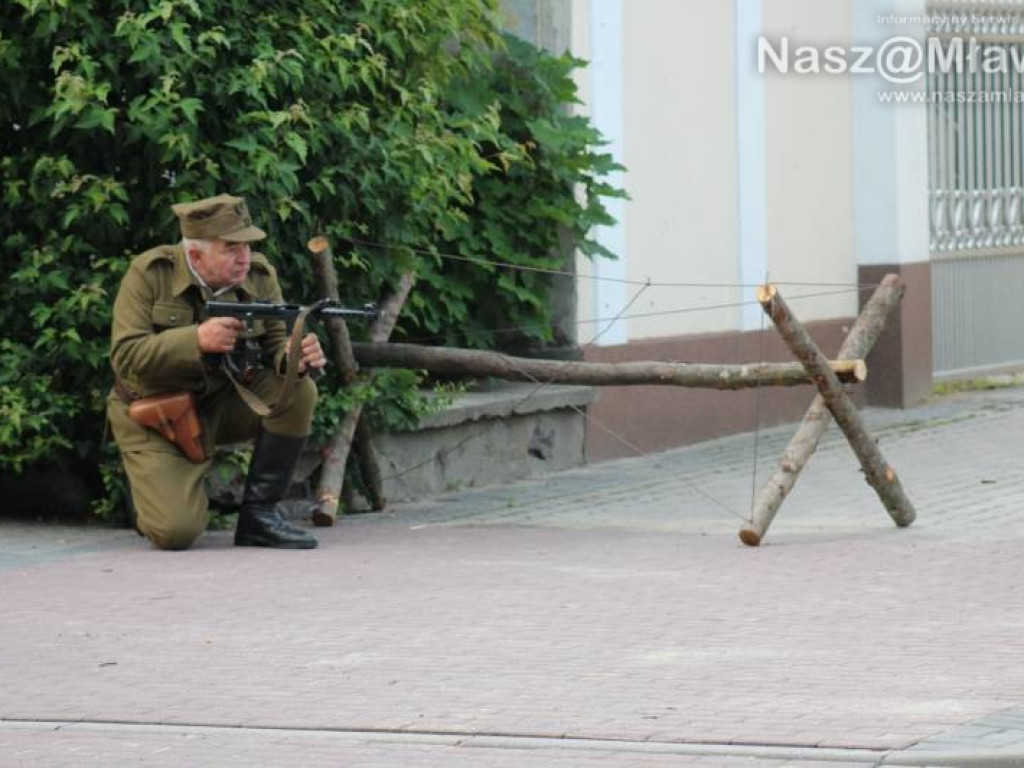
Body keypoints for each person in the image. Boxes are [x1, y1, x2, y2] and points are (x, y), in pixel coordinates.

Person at [107, 193, 327, 550]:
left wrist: (293, 359)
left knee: (298, 391)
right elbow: (126, 357)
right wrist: (195, 339)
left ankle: (260, 517)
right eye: (230, 248)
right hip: (156, 415)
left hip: (222, 404)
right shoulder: (150, 274)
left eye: (247, 246)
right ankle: (150, 497)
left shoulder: (258, 276)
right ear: (195, 254)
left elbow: (275, 348)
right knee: (175, 533)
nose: (244, 257)